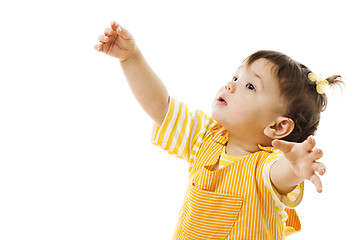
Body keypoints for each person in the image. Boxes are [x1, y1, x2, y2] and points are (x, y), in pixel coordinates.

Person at [94, 21, 343, 239]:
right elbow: (160, 107)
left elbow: (280, 175)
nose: (230, 85)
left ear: (277, 126)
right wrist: (131, 57)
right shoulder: (205, 137)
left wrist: (295, 167)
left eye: (250, 86)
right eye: (235, 78)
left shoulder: (267, 166)